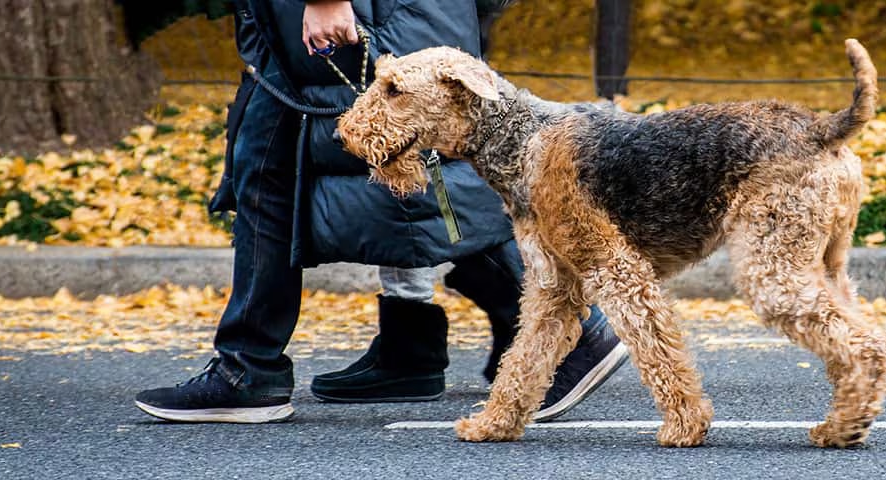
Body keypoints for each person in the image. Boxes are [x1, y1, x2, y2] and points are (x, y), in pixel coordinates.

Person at [134, 0, 627, 424]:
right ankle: (390, 350)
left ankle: (573, 333)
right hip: (359, 14)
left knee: (414, 173)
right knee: (271, 169)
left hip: (377, 13)